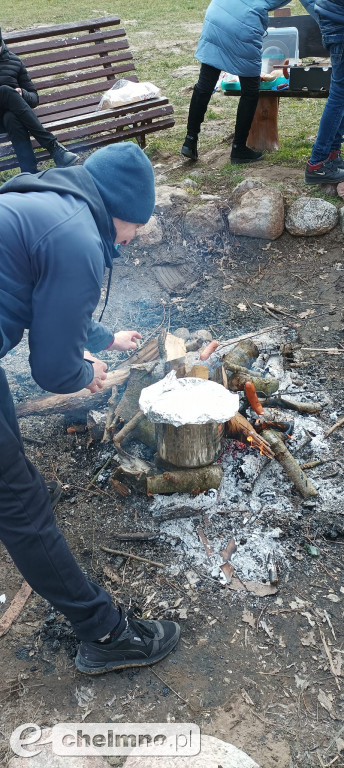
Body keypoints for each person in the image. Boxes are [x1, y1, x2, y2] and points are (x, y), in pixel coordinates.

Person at [0, 141, 180, 674]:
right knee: (22, 507)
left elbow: (38, 289)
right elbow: (54, 370)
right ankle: (103, 634)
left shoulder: (44, 202)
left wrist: (102, 337)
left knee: (15, 477)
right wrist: (86, 373)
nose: (131, 241)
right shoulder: (80, 239)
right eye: (135, 230)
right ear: (123, 212)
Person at [181, 0, 310, 164]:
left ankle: (190, 141)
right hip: (243, 24)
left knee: (205, 85)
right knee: (250, 90)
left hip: (216, 14)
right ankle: (239, 149)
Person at [0, 27, 78, 173]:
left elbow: (34, 99)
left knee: (11, 117)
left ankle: (30, 173)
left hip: (9, 119)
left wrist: (22, 93)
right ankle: (53, 147)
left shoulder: (14, 62)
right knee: (5, 90)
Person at [303, 0, 344, 184]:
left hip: (336, 23)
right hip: (339, 26)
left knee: (341, 96)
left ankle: (332, 155)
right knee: (339, 97)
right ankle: (317, 163)